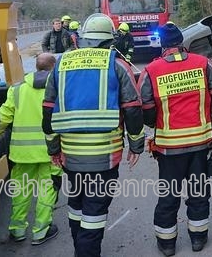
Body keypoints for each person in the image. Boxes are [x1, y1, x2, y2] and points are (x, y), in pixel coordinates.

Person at [42, 14, 145, 257]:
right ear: (110, 40)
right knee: (95, 212)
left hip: (70, 155)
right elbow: (132, 109)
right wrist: (136, 146)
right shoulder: (118, 65)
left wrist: (54, 149)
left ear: (83, 38)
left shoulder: (61, 64)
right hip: (104, 156)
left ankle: (80, 247)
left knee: (76, 204)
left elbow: (47, 111)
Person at [138, 23, 212, 256]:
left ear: (162, 45)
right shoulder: (204, 63)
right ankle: (198, 239)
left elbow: (146, 107)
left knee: (168, 195)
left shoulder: (151, 70)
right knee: (198, 192)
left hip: (169, 148)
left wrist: (153, 124)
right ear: (182, 42)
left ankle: (167, 244)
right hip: (200, 143)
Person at [0, 53, 60, 245]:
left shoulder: (17, 89)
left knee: (21, 191)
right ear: (54, 67)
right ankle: (41, 231)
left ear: (36, 67)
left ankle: (17, 230)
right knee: (47, 189)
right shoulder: (59, 88)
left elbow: (4, 117)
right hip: (50, 151)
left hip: (22, 153)